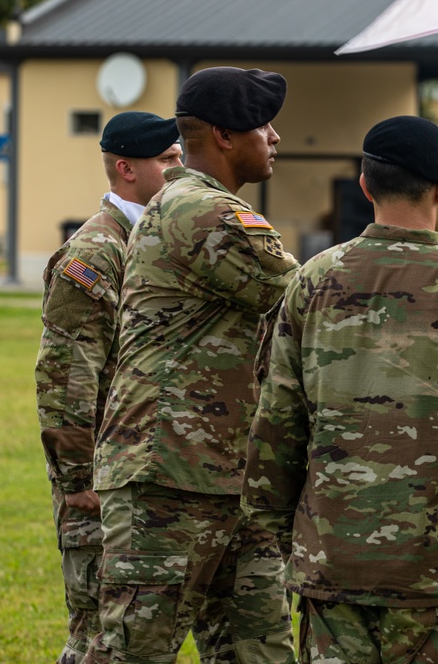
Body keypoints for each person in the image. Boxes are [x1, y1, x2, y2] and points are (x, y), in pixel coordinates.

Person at [241, 115, 438, 663]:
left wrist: (277, 533)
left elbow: (277, 419)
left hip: (332, 562)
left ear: (364, 186)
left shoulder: (314, 279)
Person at [83, 67, 299, 664]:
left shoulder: (198, 204)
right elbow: (317, 300)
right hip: (169, 474)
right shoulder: (200, 211)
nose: (276, 137)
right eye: (263, 125)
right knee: (136, 649)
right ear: (227, 137)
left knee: (259, 649)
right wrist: (409, 247)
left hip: (226, 471)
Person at [34, 111, 181, 664]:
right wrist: (77, 481)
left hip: (141, 469)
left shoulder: (157, 237)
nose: (179, 167)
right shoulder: (96, 253)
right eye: (167, 160)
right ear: (126, 169)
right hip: (98, 480)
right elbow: (66, 373)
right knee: (98, 630)